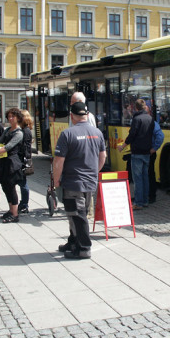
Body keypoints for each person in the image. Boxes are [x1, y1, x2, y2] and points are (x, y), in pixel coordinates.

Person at [53, 102, 106, 259]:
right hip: (90, 182)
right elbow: (102, 157)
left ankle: (83, 248)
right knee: (74, 213)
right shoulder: (97, 133)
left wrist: (56, 179)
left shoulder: (67, 134)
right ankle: (73, 241)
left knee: (77, 214)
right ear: (87, 115)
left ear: (72, 116)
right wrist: (94, 172)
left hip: (73, 181)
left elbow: (58, 161)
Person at [0, 108, 24, 223]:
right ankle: (11, 210)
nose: (10, 118)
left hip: (12, 162)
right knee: (5, 187)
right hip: (4, 162)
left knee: (11, 188)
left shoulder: (19, 133)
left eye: (13, 116)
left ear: (18, 118)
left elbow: (8, 146)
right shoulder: (7, 130)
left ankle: (15, 214)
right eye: (9, 116)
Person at [117, 99, 154, 210]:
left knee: (137, 179)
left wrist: (123, 146)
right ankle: (145, 200)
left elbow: (132, 135)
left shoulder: (136, 119)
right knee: (145, 177)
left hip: (137, 152)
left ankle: (138, 203)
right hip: (147, 152)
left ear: (136, 108)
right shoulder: (150, 118)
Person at [17, 109, 33, 214]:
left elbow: (25, 147)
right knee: (22, 182)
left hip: (23, 159)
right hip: (24, 158)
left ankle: (24, 204)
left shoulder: (25, 131)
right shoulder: (25, 130)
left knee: (23, 183)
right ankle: (23, 203)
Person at [148, 113, 164, 204]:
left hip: (146, 152)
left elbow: (160, 137)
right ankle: (151, 195)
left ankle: (148, 195)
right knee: (150, 174)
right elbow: (160, 136)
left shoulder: (138, 121)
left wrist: (154, 149)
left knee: (145, 175)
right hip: (150, 152)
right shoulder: (153, 123)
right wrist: (154, 149)